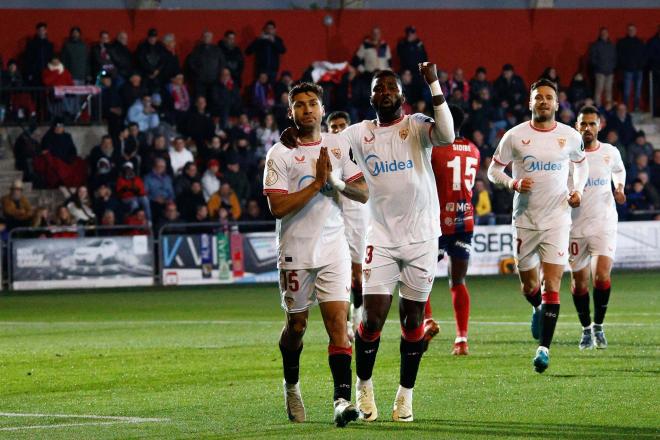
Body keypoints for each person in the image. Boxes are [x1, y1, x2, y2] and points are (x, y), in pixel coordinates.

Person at [283, 64, 454, 421]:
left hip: (422, 238)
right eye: (379, 88)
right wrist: (293, 136)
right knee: (372, 318)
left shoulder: (417, 125)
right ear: (371, 96)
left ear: (402, 96)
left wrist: (434, 82)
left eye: (391, 86)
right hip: (382, 238)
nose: (385, 92)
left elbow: (448, 135)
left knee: (413, 320)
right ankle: (363, 386)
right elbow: (322, 139)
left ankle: (405, 395)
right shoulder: (360, 133)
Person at [264, 82, 368, 426]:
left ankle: (341, 400)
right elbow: (277, 206)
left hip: (333, 250)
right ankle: (291, 385)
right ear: (290, 112)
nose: (307, 109)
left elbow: (363, 192)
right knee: (296, 326)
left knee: (339, 325)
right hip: (295, 251)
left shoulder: (338, 145)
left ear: (322, 109)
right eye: (300, 105)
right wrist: (314, 184)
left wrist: (335, 184)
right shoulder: (279, 153)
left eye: (312, 103)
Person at [487, 78, 588, 373]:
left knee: (552, 284)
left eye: (548, 97)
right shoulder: (515, 136)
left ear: (556, 103)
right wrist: (513, 182)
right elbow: (494, 170)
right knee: (529, 286)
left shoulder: (569, 136)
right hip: (525, 221)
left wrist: (577, 190)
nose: (544, 101)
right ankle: (536, 308)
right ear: (529, 103)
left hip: (558, 220)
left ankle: (543, 349)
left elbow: (581, 164)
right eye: (538, 97)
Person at [569, 105, 626, 350]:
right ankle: (585, 328)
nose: (588, 128)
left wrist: (620, 188)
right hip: (574, 227)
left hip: (604, 223)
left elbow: (619, 171)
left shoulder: (610, 152)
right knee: (579, 284)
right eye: (584, 124)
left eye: (592, 123)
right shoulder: (568, 156)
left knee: (601, 276)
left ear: (599, 126)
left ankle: (599, 326)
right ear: (577, 127)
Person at [427, 104, 480, 355]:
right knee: (457, 280)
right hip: (465, 220)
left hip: (437, 222)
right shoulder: (474, 150)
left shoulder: (435, 149)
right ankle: (461, 340)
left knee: (419, 278)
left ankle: (425, 322)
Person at [326, 111, 369, 342]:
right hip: (331, 214)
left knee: (357, 271)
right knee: (337, 271)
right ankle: (345, 325)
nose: (338, 129)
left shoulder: (359, 148)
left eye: (342, 125)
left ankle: (358, 318)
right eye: (333, 126)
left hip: (358, 215)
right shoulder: (323, 151)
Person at [187, 30, 225, 103]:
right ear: (202, 38)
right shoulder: (197, 49)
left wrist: (218, 73)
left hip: (214, 79)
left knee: (214, 98)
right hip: (200, 79)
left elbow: (222, 62)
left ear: (212, 38)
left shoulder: (217, 49)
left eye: (209, 37)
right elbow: (191, 63)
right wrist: (198, 72)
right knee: (200, 98)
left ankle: (212, 113)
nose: (207, 38)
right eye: (205, 37)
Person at [617, 24, 646, 112]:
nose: (631, 31)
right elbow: (619, 55)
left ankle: (636, 108)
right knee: (626, 92)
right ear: (627, 31)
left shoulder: (640, 42)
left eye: (633, 30)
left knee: (637, 92)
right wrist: (624, 65)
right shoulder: (623, 42)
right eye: (629, 30)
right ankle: (625, 109)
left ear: (635, 31)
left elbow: (644, 55)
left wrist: (641, 65)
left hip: (638, 70)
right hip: (627, 70)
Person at [589, 27, 617, 107]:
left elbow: (615, 57)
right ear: (600, 34)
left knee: (609, 91)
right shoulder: (596, 45)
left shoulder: (611, 45)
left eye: (605, 33)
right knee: (598, 91)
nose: (604, 34)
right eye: (603, 33)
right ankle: (598, 108)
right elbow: (593, 58)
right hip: (600, 72)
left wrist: (612, 67)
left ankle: (609, 108)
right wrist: (598, 67)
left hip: (610, 72)